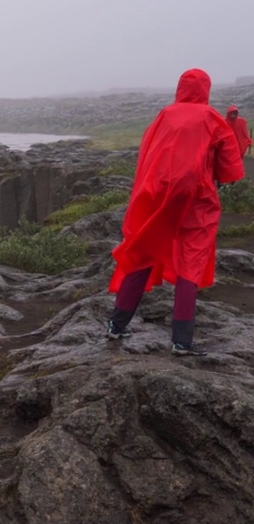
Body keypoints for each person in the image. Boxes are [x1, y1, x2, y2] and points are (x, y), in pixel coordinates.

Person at [106, 68, 246, 356]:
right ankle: (182, 341)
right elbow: (231, 167)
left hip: (156, 194)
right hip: (197, 199)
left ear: (180, 88)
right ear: (205, 90)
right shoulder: (211, 118)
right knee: (191, 262)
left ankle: (116, 325)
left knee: (145, 250)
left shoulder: (165, 115)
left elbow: (148, 152)